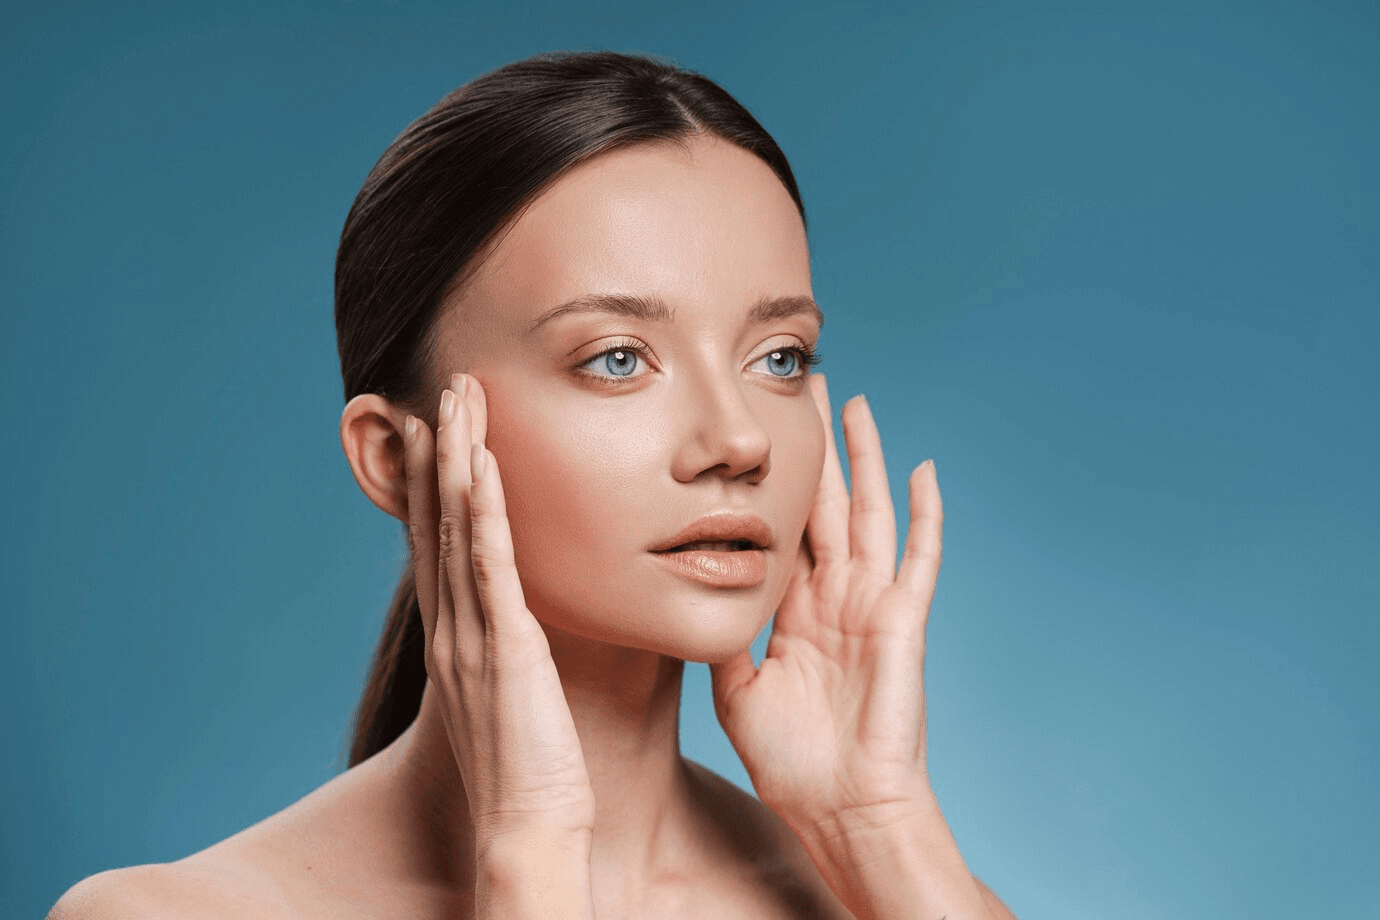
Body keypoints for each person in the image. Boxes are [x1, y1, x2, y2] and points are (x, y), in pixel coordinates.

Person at [49, 51, 1016, 919]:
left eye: (779, 357)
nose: (738, 440)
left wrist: (876, 825)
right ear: (394, 455)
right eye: (616, 359)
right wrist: (531, 855)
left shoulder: (894, 892)